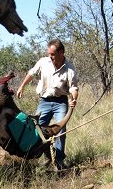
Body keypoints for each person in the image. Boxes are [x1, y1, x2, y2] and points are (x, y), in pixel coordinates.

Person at [16, 39, 78, 170]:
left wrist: (74, 98)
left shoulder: (69, 68)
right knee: (38, 130)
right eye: (49, 53)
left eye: (53, 54)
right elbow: (31, 73)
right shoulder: (43, 62)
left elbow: (73, 88)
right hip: (44, 101)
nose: (50, 56)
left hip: (60, 102)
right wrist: (22, 86)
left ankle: (59, 161)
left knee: (60, 131)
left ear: (61, 52)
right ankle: (49, 157)